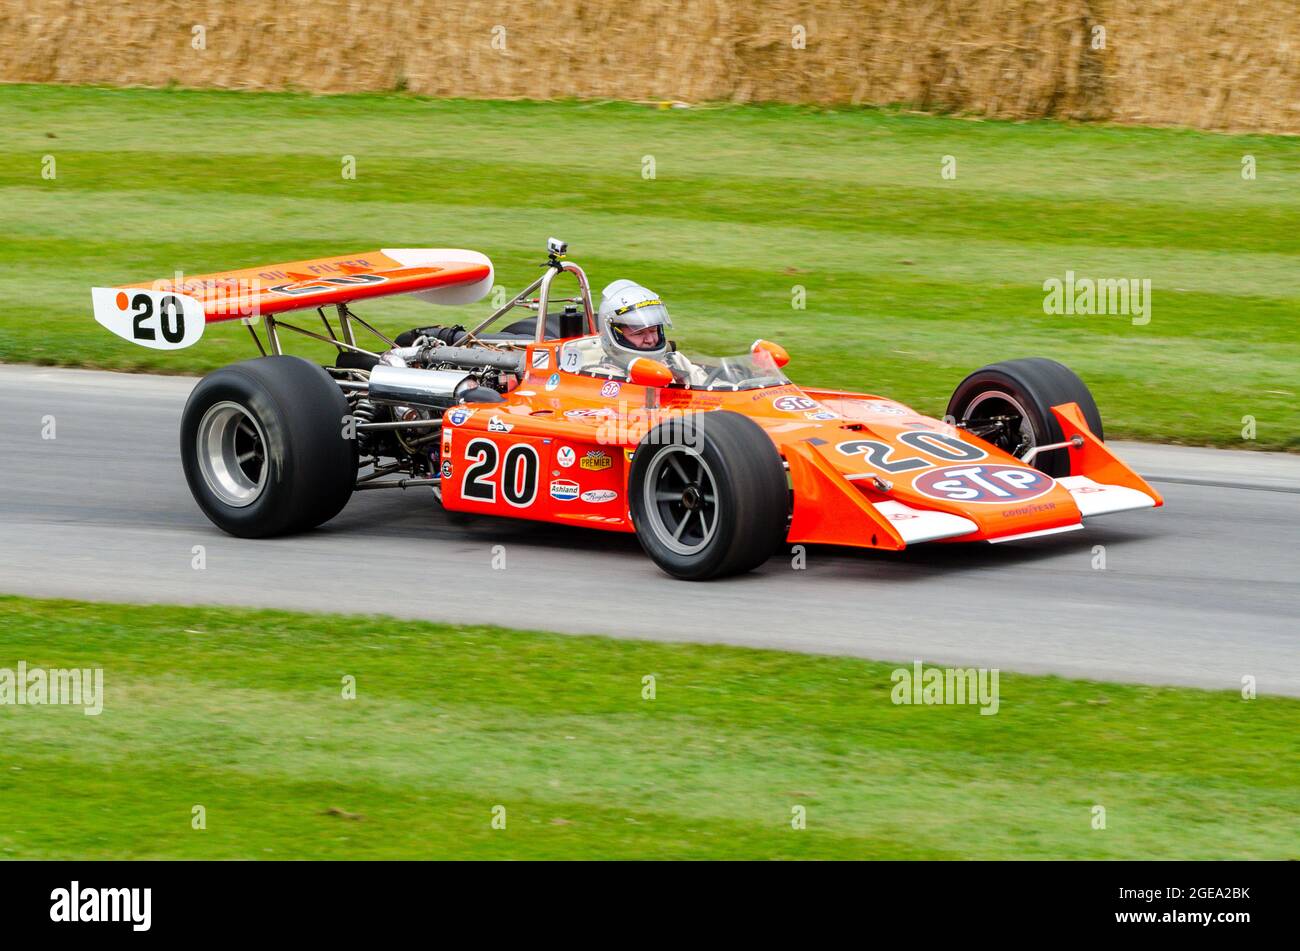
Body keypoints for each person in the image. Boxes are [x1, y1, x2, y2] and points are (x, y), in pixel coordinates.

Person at [595, 280, 703, 383]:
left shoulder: (675, 361)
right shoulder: (603, 377)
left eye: (653, 330)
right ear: (614, 335)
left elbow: (712, 386)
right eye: (638, 333)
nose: (650, 340)